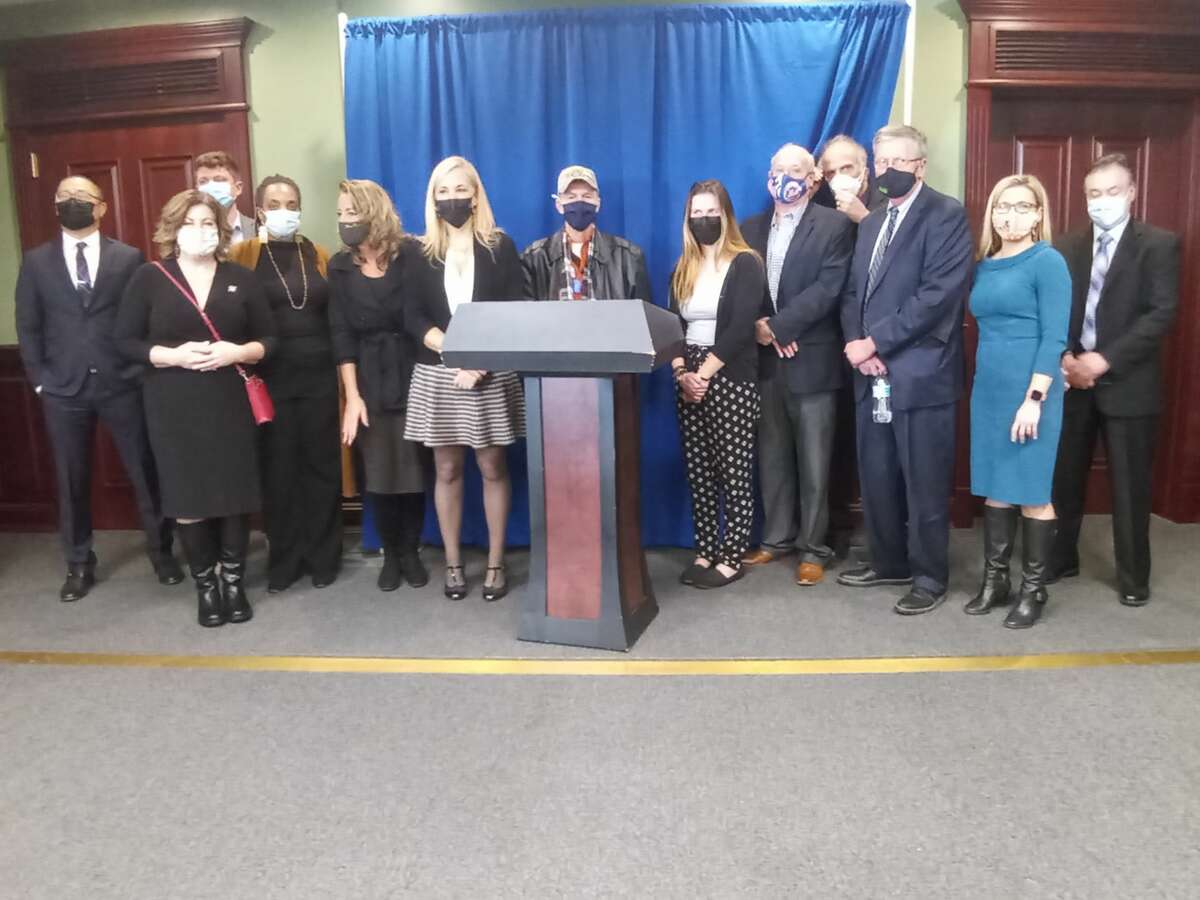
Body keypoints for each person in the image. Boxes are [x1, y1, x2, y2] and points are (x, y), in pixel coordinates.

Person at [14, 176, 182, 600]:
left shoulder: (127, 258)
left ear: (101, 207)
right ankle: (78, 564)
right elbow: (28, 325)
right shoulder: (36, 262)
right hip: (63, 389)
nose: (72, 203)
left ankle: (162, 554)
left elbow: (140, 319)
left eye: (81, 198)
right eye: (64, 198)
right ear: (55, 207)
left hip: (121, 382)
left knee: (146, 472)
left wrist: (139, 368)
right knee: (71, 479)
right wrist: (39, 383)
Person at [114, 189, 276, 627]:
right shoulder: (150, 278)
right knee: (190, 498)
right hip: (173, 403)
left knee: (232, 496)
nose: (200, 231)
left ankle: (233, 583)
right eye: (190, 223)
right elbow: (125, 342)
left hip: (229, 400)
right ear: (173, 229)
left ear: (221, 230)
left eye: (208, 223)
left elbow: (271, 340)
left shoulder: (241, 277)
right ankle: (205, 588)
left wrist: (238, 352)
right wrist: (173, 356)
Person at [837, 124, 974, 614]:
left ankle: (930, 576)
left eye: (900, 161)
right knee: (877, 475)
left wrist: (877, 341)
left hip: (921, 374)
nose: (888, 170)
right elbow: (854, 290)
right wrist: (858, 343)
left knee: (924, 481)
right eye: (882, 161)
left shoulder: (946, 214)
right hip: (869, 372)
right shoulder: (873, 220)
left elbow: (937, 296)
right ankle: (889, 561)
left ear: (920, 166)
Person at [1050, 154, 1180, 607]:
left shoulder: (1159, 245)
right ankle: (1060, 558)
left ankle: (1132, 576)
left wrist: (1102, 360)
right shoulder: (1067, 246)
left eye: (1111, 192)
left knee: (1129, 486)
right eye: (1093, 194)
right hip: (1074, 382)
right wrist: (1066, 357)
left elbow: (1160, 313)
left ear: (1131, 193)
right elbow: (1059, 309)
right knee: (1064, 478)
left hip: (1128, 385)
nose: (1101, 202)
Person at [404, 156, 529, 602]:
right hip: (438, 373)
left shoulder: (500, 246)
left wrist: (479, 360)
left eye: (461, 189)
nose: (452, 198)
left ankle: (496, 563)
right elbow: (412, 315)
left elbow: (514, 308)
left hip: (489, 373)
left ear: (476, 195)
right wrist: (455, 354)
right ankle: (453, 563)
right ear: (432, 198)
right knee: (447, 468)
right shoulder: (415, 251)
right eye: (443, 191)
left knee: (493, 466)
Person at [740, 144, 854, 586]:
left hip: (813, 359)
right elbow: (740, 286)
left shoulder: (834, 226)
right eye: (778, 169)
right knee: (772, 456)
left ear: (813, 180)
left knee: (815, 460)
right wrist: (757, 326)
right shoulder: (749, 228)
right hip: (765, 362)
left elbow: (830, 287)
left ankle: (814, 548)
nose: (784, 176)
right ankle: (776, 539)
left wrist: (780, 327)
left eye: (795, 170)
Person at [966, 175, 1071, 628]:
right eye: (1002, 207)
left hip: (1031, 390)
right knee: (996, 486)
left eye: (1023, 207)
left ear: (1039, 214)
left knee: (1031, 489)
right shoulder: (986, 264)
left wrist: (1034, 399)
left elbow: (1055, 337)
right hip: (988, 388)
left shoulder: (1048, 262)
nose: (1011, 215)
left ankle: (1034, 589)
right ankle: (996, 581)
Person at [229, 175, 343, 592]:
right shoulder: (244, 255)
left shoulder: (318, 254)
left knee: (321, 466)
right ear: (259, 210)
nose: (284, 210)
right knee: (279, 471)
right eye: (274, 203)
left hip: (319, 376)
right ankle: (286, 558)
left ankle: (324, 556)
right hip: (268, 377)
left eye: (291, 202)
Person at [328, 178, 429, 593]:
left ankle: (411, 551)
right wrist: (352, 397)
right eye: (339, 215)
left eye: (352, 213)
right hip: (367, 376)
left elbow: (422, 314)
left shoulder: (411, 256)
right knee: (380, 472)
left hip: (413, 370)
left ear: (374, 212)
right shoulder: (338, 265)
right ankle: (390, 551)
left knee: (413, 469)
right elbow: (340, 334)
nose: (345, 221)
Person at [669, 179, 766, 589]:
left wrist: (703, 375)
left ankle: (731, 555)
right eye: (697, 214)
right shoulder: (683, 266)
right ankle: (706, 550)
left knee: (734, 469)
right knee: (699, 471)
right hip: (687, 372)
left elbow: (743, 325)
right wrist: (680, 372)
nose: (704, 220)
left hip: (730, 371)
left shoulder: (746, 262)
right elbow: (671, 324)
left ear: (725, 215)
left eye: (711, 212)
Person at [520, 165, 652, 302]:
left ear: (598, 203)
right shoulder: (534, 259)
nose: (579, 202)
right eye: (571, 197)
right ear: (559, 205)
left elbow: (642, 318)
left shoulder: (628, 258)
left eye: (587, 196)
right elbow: (528, 317)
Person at [194, 150, 257, 245]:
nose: (211, 186)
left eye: (219, 180)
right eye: (203, 182)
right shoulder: (189, 233)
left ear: (238, 188)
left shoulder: (259, 231)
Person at [813, 134, 879, 225]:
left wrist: (864, 217)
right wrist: (810, 190)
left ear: (865, 172)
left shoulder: (887, 201)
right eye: (831, 172)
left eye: (846, 168)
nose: (839, 177)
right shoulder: (822, 200)